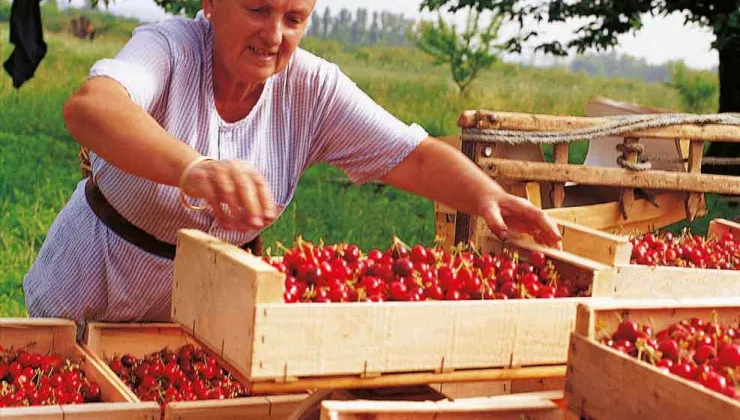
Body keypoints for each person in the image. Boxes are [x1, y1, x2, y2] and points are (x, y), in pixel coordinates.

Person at [23, 0, 562, 331]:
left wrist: (485, 194)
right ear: (211, 1)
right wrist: (192, 167)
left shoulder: (313, 88)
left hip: (203, 311)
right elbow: (92, 107)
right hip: (92, 286)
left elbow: (414, 157)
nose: (274, 35)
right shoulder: (169, 48)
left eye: (295, 18)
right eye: (257, 10)